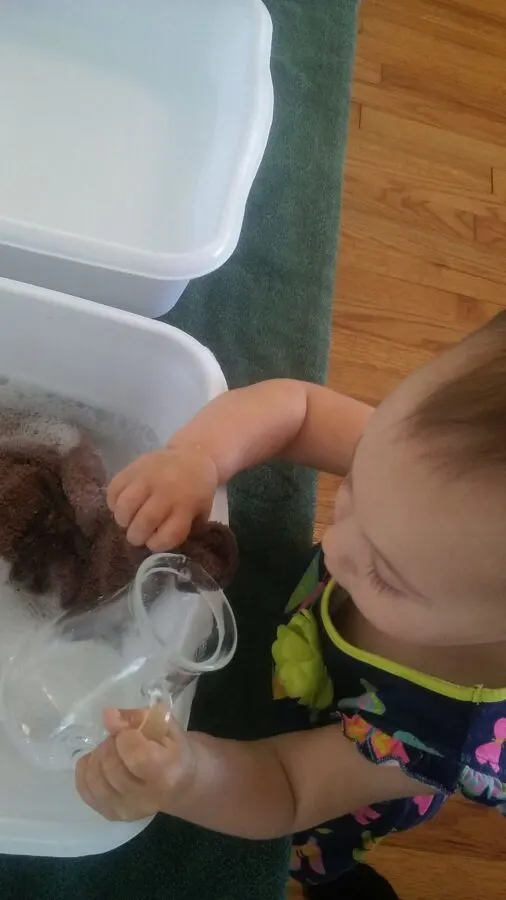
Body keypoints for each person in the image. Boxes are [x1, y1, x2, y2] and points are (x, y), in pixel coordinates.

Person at [76, 312, 506, 899]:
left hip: (339, 777)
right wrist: (197, 458)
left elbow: (288, 787)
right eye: (352, 491)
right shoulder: (428, 474)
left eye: (385, 573)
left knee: (318, 854)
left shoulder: (436, 736)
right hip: (301, 651)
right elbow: (298, 409)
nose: (334, 542)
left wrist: (188, 776)